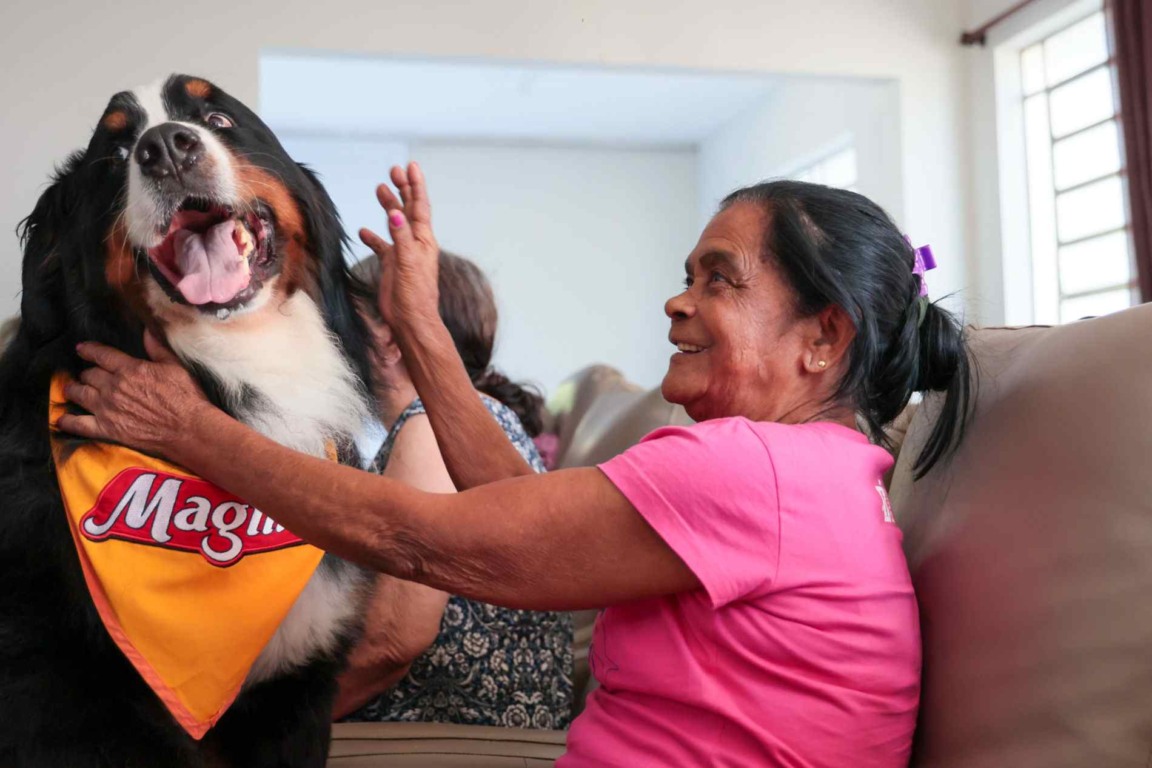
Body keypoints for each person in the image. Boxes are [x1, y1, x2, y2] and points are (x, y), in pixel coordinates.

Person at [61, 163, 972, 767]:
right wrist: (420, 325)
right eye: (687, 275)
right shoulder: (815, 470)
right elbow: (522, 515)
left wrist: (190, 429)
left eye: (719, 279)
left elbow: (424, 542)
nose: (677, 302)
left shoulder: (756, 469)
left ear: (824, 338)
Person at [335, 250, 572, 727]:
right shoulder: (449, 425)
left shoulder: (430, 431)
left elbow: (392, 642)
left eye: (342, 320)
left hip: (449, 735)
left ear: (389, 340)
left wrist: (265, 738)